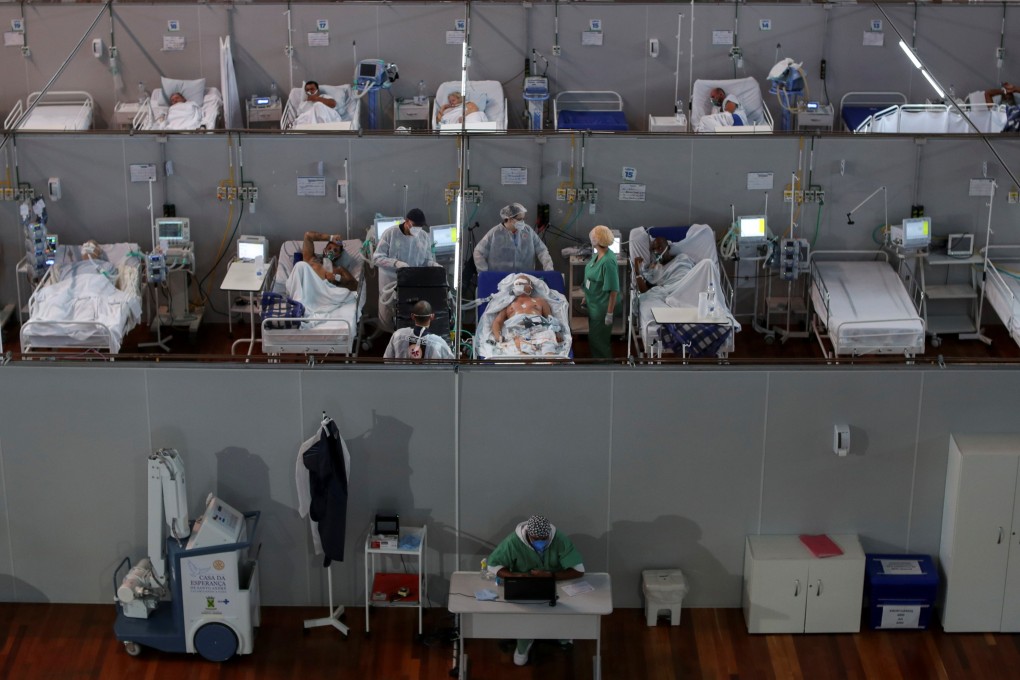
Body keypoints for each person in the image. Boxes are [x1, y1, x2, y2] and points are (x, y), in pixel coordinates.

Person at [486, 514, 585, 667]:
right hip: (524, 587)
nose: (541, 542)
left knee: (562, 609)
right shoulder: (513, 541)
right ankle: (525, 640)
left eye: (544, 538)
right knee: (527, 612)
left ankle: (561, 634)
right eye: (536, 539)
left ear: (549, 535)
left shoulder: (558, 539)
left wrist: (550, 575)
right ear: (528, 534)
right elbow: (493, 565)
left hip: (554, 585)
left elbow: (579, 570)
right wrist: (515, 576)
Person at [372, 208, 440, 332]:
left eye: (420, 226)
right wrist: (396, 263)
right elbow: (377, 258)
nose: (418, 229)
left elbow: (426, 260)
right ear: (407, 221)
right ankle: (389, 338)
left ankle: (407, 335)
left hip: (412, 281)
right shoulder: (390, 234)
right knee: (388, 314)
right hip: (390, 281)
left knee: (410, 312)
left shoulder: (423, 236)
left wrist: (433, 264)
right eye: (415, 225)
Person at [473, 203, 554, 273]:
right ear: (509, 219)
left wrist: (549, 269)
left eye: (523, 219)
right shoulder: (495, 233)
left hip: (524, 278)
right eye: (520, 219)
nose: (523, 222)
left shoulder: (527, 231)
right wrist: (484, 273)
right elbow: (478, 252)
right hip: (500, 279)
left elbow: (542, 250)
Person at [583, 225, 619, 359]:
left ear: (596, 240)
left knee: (598, 340)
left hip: (602, 307)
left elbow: (614, 290)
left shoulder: (608, 262)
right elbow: (592, 277)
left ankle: (605, 368)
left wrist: (609, 314)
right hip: (594, 302)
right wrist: (586, 295)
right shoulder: (598, 255)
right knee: (594, 338)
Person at [383, 300, 454, 360]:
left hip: (400, 376)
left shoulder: (398, 335)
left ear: (412, 316)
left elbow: (387, 359)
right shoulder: (439, 343)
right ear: (432, 317)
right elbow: (451, 366)